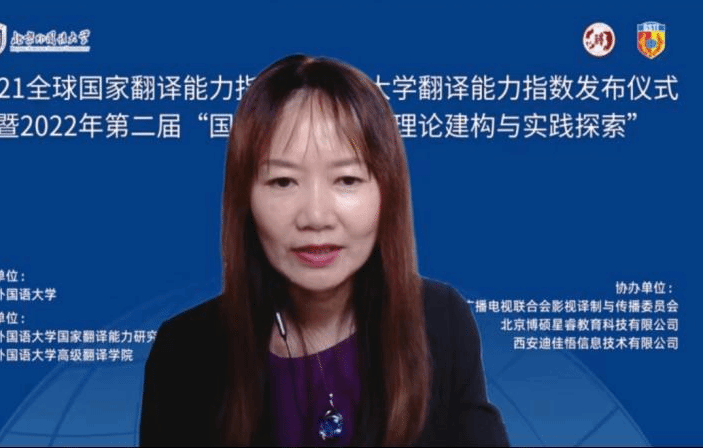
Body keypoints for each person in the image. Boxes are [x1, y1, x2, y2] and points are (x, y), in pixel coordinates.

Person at [139, 54, 509, 446]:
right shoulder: (184, 352)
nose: (316, 217)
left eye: (347, 179)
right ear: (245, 199)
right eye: (283, 181)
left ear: (387, 192)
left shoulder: (439, 321)